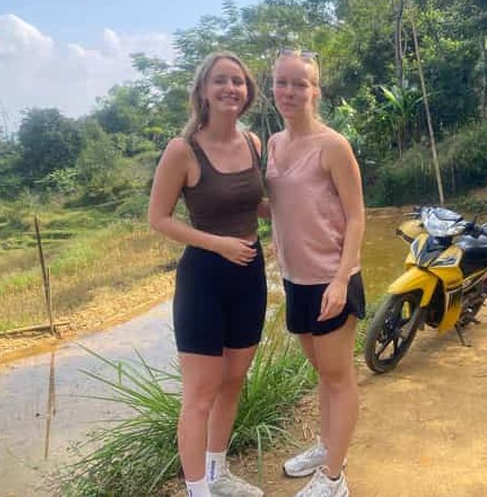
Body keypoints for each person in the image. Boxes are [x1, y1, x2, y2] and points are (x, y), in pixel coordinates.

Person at [148, 51, 267, 497]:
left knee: (233, 381)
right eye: (220, 80)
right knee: (200, 393)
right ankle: (197, 490)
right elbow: (159, 218)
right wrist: (218, 244)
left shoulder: (254, 143)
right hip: (204, 279)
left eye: (238, 81)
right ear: (203, 90)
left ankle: (218, 474)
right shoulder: (183, 150)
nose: (230, 88)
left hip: (250, 273)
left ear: (247, 91)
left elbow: (253, 203)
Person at [265, 48, 365, 497]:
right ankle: (327, 446)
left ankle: (334, 477)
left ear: (315, 91)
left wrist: (341, 280)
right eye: (281, 82)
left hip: (331, 278)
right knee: (323, 374)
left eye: (299, 84)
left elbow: (357, 216)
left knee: (339, 378)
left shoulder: (333, 145)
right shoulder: (273, 143)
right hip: (294, 278)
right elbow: (281, 206)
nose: (289, 91)